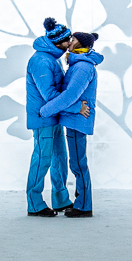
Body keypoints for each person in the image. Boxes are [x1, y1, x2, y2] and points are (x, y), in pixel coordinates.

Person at [40, 31, 102, 217]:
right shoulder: (78, 63)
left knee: (78, 163)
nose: (69, 42)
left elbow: (70, 95)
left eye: (73, 39)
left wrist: (46, 110)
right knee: (77, 162)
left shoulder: (82, 67)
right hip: (74, 118)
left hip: (77, 120)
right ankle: (82, 202)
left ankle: (83, 206)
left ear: (81, 44)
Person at [25, 17, 76, 216]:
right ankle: (35, 203)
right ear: (58, 42)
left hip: (53, 116)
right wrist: (75, 107)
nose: (70, 43)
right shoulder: (40, 61)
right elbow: (49, 95)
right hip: (43, 117)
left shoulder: (51, 58)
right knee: (42, 158)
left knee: (59, 158)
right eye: (68, 40)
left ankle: (61, 200)